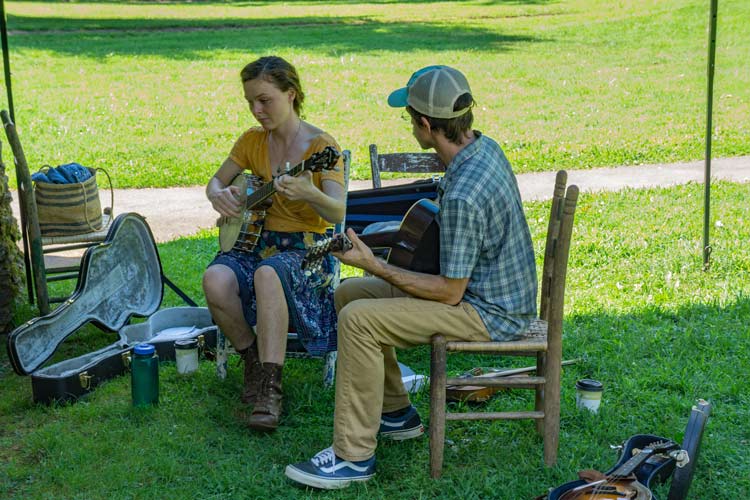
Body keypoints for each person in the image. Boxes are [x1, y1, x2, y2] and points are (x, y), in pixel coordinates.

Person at [285, 65, 538, 489]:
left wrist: (376, 264)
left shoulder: (463, 195)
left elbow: (450, 292)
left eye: (410, 118)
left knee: (359, 319)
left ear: (425, 124)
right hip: (481, 290)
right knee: (350, 295)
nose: (409, 125)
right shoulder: (483, 148)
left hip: (488, 311)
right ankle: (396, 412)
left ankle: (352, 457)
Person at [202, 56, 346, 432]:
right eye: (250, 101)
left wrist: (309, 193)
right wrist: (220, 197)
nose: (256, 109)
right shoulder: (252, 141)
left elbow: (337, 211)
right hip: (256, 241)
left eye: (265, 100)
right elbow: (215, 183)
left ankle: (270, 389)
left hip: (309, 251)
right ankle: (251, 358)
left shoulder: (321, 147)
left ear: (291, 94)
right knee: (215, 279)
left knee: (269, 274)